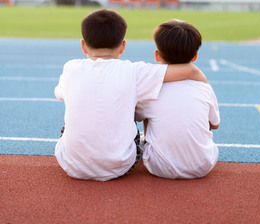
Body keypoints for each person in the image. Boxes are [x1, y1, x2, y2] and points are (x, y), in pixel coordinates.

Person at [54, 9, 207, 181]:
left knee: (73, 107)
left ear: (83, 45)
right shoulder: (134, 71)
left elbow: (61, 95)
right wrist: (202, 81)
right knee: (133, 102)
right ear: (123, 46)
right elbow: (189, 69)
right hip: (120, 167)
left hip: (72, 166)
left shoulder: (70, 68)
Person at [135, 19, 220, 179]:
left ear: (157, 55)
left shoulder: (150, 88)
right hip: (204, 165)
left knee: (148, 113)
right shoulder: (204, 88)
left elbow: (135, 117)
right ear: (195, 56)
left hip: (159, 167)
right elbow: (214, 124)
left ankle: (149, 143)